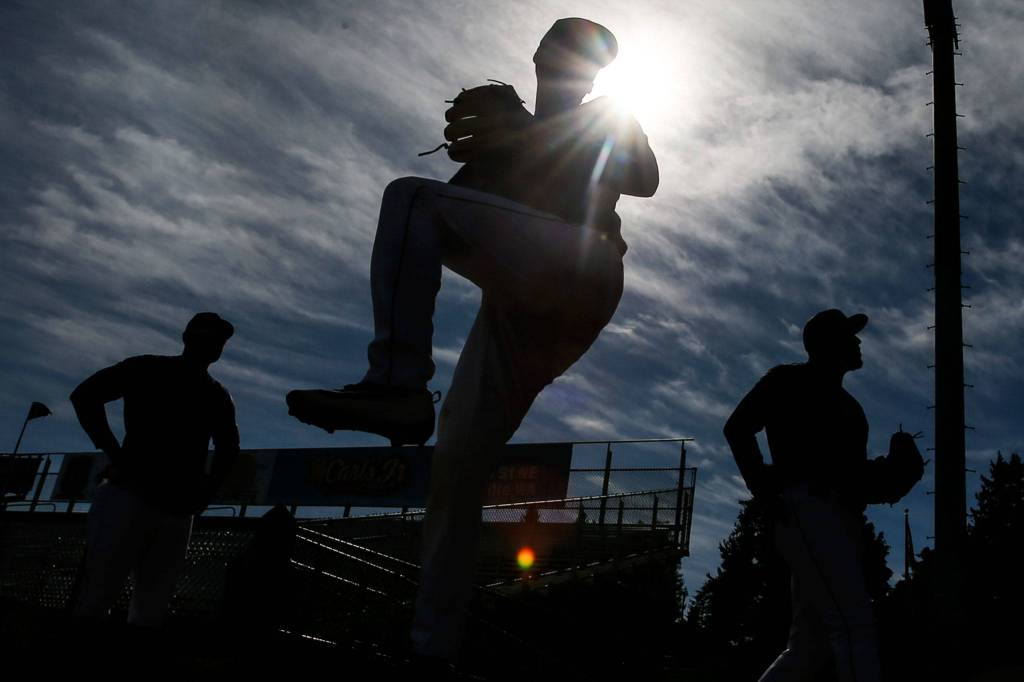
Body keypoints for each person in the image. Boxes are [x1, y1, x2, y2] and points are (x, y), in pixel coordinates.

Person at [286, 18, 658, 663]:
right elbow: (450, 220)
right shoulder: (500, 139)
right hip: (517, 309)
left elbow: (644, 178)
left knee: (408, 197)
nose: (571, 56)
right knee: (456, 473)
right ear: (540, 54)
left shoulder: (609, 114)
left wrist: (529, 136)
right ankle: (433, 649)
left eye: (588, 50)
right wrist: (501, 150)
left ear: (600, 68)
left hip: (583, 267)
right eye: (562, 43)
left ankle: (398, 385)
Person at [724, 309, 922, 682]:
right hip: (807, 509)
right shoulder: (787, 381)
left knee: (809, 647)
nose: (858, 341)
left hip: (837, 521)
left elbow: (853, 480)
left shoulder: (852, 410)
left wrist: (898, 475)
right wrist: (765, 488)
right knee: (854, 626)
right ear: (829, 344)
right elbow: (737, 428)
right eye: (850, 335)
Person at [70, 312, 240, 627]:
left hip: (172, 506)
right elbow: (84, 396)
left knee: (146, 606)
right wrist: (115, 453)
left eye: (219, 339)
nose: (214, 344)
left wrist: (204, 493)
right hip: (133, 495)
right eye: (208, 335)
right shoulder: (151, 369)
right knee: (101, 597)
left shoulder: (215, 394)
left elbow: (230, 449)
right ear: (189, 336)